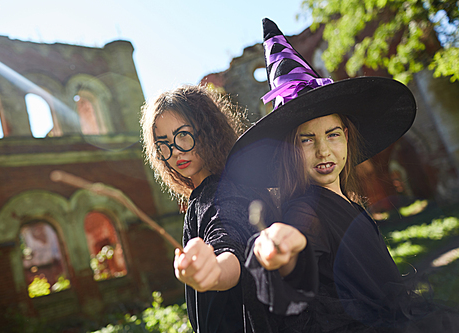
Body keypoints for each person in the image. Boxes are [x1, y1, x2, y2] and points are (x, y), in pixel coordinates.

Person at [224, 18, 459, 332]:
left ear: (347, 137)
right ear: (289, 151)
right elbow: (299, 241)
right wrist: (286, 251)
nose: (323, 151)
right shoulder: (306, 208)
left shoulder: (348, 201)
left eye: (332, 134)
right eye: (306, 140)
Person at [140, 84, 276, 332]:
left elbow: (228, 240)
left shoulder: (216, 193)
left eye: (183, 134)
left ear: (209, 131)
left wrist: (214, 272)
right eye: (164, 143)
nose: (176, 151)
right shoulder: (234, 184)